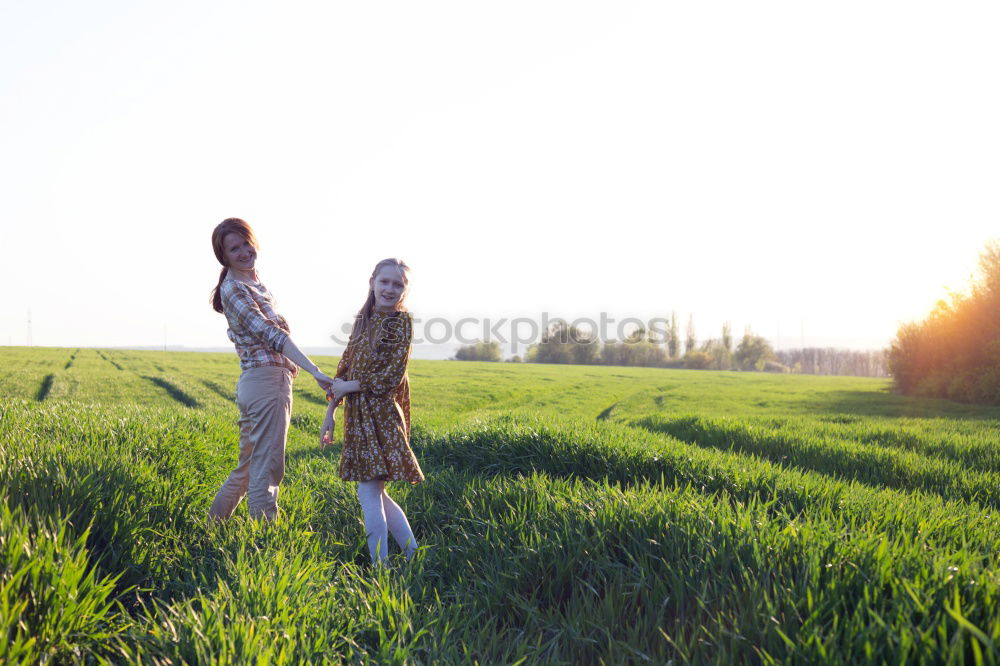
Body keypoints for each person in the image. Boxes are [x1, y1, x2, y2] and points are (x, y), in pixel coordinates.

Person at [207, 217, 334, 521]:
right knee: (267, 469)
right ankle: (262, 544)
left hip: (260, 383)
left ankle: (211, 531)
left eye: (246, 243)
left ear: (254, 242)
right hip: (266, 383)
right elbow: (272, 334)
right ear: (223, 257)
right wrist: (315, 371)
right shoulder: (235, 289)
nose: (243, 252)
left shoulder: (254, 283)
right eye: (233, 249)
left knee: (249, 467)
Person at [322, 258, 424, 564]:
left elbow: (390, 377)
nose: (390, 289)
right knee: (377, 493)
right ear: (372, 282)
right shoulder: (362, 319)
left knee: (368, 494)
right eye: (385, 281)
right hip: (358, 416)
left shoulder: (400, 323)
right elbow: (345, 368)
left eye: (398, 284)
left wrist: (348, 388)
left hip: (381, 417)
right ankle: (412, 555)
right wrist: (331, 413)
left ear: (405, 290)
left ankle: (380, 567)